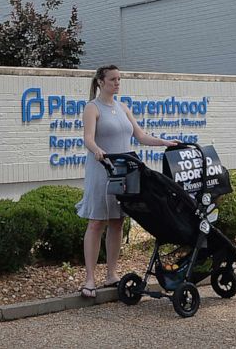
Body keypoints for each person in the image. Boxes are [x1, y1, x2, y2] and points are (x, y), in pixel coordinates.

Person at [75, 64, 179, 298]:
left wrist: (165, 142)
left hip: (123, 173)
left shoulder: (123, 108)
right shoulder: (92, 108)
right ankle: (89, 279)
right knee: (96, 222)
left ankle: (111, 274)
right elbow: (88, 138)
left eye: (119, 79)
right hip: (101, 171)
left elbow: (140, 136)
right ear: (101, 82)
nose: (117, 83)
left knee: (117, 222)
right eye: (112, 79)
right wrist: (97, 150)